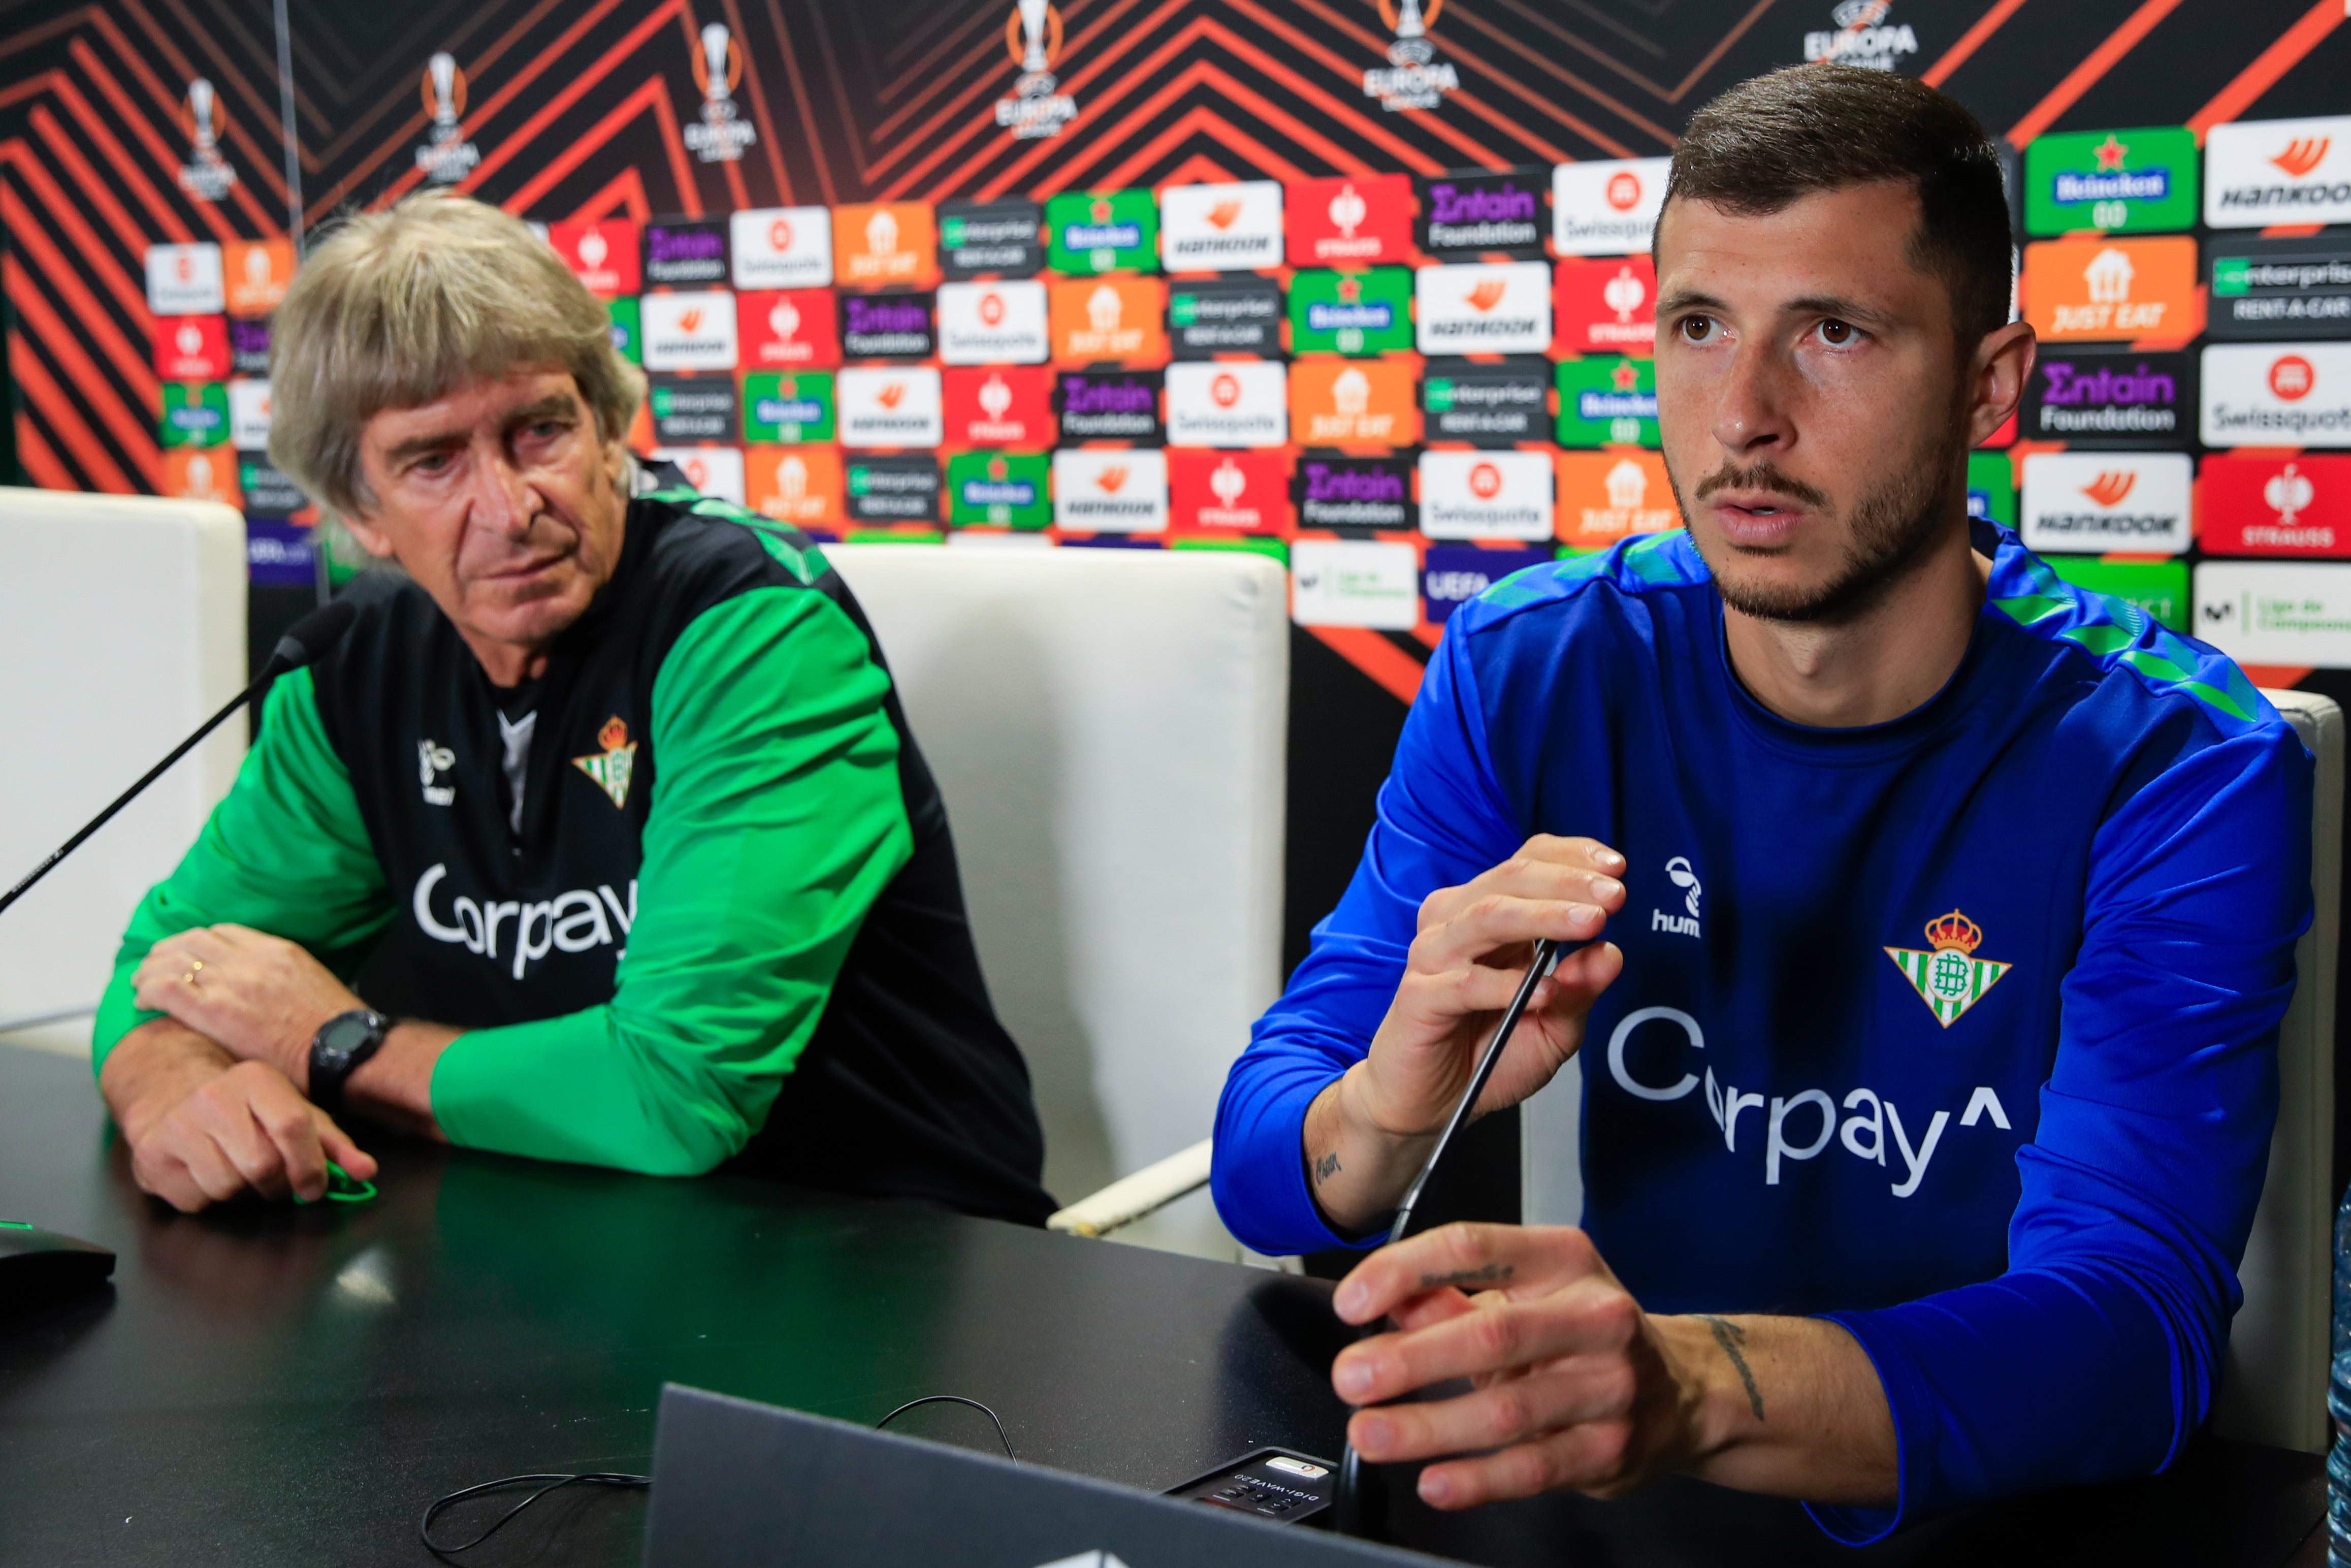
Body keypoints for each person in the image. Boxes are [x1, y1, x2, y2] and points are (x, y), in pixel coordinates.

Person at [1211, 65, 2312, 1540]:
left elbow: (2130, 1337)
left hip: (1997, 1518)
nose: (1742, 415)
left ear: (1990, 383)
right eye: (1696, 328)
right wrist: (1386, 1102)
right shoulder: (1532, 666)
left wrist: (1691, 1381)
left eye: (1833, 334)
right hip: (1618, 1502)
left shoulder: (2174, 758)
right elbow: (1263, 1180)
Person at [95, 191, 1053, 1227]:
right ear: (362, 510)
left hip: (880, 1248)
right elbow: (169, 961)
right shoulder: (350, 666)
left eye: (538, 431)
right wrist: (168, 1087)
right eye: (433, 461)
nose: (509, 509)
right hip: (559, 1240)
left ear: (607, 428)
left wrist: (334, 1043)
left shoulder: (753, 630)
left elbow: (674, 1093)